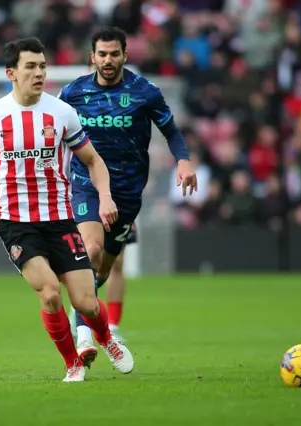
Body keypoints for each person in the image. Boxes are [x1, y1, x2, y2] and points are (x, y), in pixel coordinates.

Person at [0, 37, 134, 382]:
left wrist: (104, 196)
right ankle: (72, 361)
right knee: (50, 292)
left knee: (87, 302)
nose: (39, 72)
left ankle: (105, 337)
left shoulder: (61, 113)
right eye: (31, 66)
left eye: (42, 65)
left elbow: (93, 160)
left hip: (59, 219)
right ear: (11, 72)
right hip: (15, 222)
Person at [60, 27, 198, 367]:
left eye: (114, 54)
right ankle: (84, 336)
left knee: (105, 267)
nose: (108, 60)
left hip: (127, 193)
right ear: (92, 56)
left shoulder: (144, 92)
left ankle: (99, 321)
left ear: (124, 55)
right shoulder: (73, 93)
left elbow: (172, 130)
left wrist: (183, 160)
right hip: (86, 184)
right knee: (89, 251)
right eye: (102, 54)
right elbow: (53, 133)